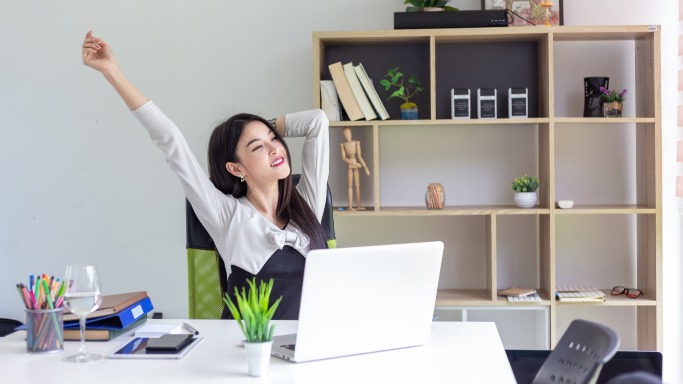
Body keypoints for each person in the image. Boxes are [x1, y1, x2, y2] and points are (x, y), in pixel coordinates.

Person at [81, 31, 329, 320]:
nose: (275, 148)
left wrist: (263, 126)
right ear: (236, 168)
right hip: (245, 353)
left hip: (306, 351)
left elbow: (317, 122)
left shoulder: (307, 206)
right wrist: (112, 72)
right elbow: (170, 140)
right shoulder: (226, 215)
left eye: (274, 139)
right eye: (257, 147)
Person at [340, 127, 370, 211]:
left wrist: (365, 167)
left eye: (348, 133)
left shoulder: (356, 143)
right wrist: (352, 162)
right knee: (350, 186)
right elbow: (344, 158)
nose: (347, 135)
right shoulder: (343, 144)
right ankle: (350, 206)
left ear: (351, 133)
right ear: (344, 135)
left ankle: (359, 205)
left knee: (357, 186)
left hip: (356, 165)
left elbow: (359, 156)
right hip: (351, 165)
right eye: (345, 134)